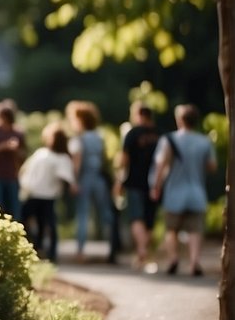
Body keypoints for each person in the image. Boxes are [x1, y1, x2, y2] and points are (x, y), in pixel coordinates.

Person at [150, 103, 217, 276]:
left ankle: (173, 259)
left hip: (174, 191)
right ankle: (194, 261)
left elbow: (161, 164)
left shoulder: (169, 140)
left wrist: (156, 186)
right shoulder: (204, 141)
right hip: (196, 191)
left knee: (171, 229)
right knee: (195, 229)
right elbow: (212, 166)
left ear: (179, 120)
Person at [19, 122, 77, 262]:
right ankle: (44, 251)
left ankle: (41, 251)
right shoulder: (60, 157)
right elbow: (67, 177)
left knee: (34, 222)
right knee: (46, 223)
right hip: (43, 195)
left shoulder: (45, 154)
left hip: (37, 194)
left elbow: (26, 171)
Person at [116, 103, 160, 270]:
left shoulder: (132, 133)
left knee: (136, 217)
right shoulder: (160, 134)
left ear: (138, 115)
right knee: (149, 220)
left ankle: (141, 250)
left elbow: (124, 160)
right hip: (154, 183)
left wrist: (119, 181)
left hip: (134, 181)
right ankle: (144, 252)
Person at [67, 101, 113, 261]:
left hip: (84, 178)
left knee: (83, 215)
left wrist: (73, 181)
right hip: (99, 178)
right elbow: (104, 159)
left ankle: (80, 251)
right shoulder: (99, 137)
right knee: (106, 213)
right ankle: (112, 248)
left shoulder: (78, 139)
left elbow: (77, 162)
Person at [0, 101, 25, 219]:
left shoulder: (18, 133)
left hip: (12, 174)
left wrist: (15, 150)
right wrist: (3, 146)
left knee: (14, 206)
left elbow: (23, 154)